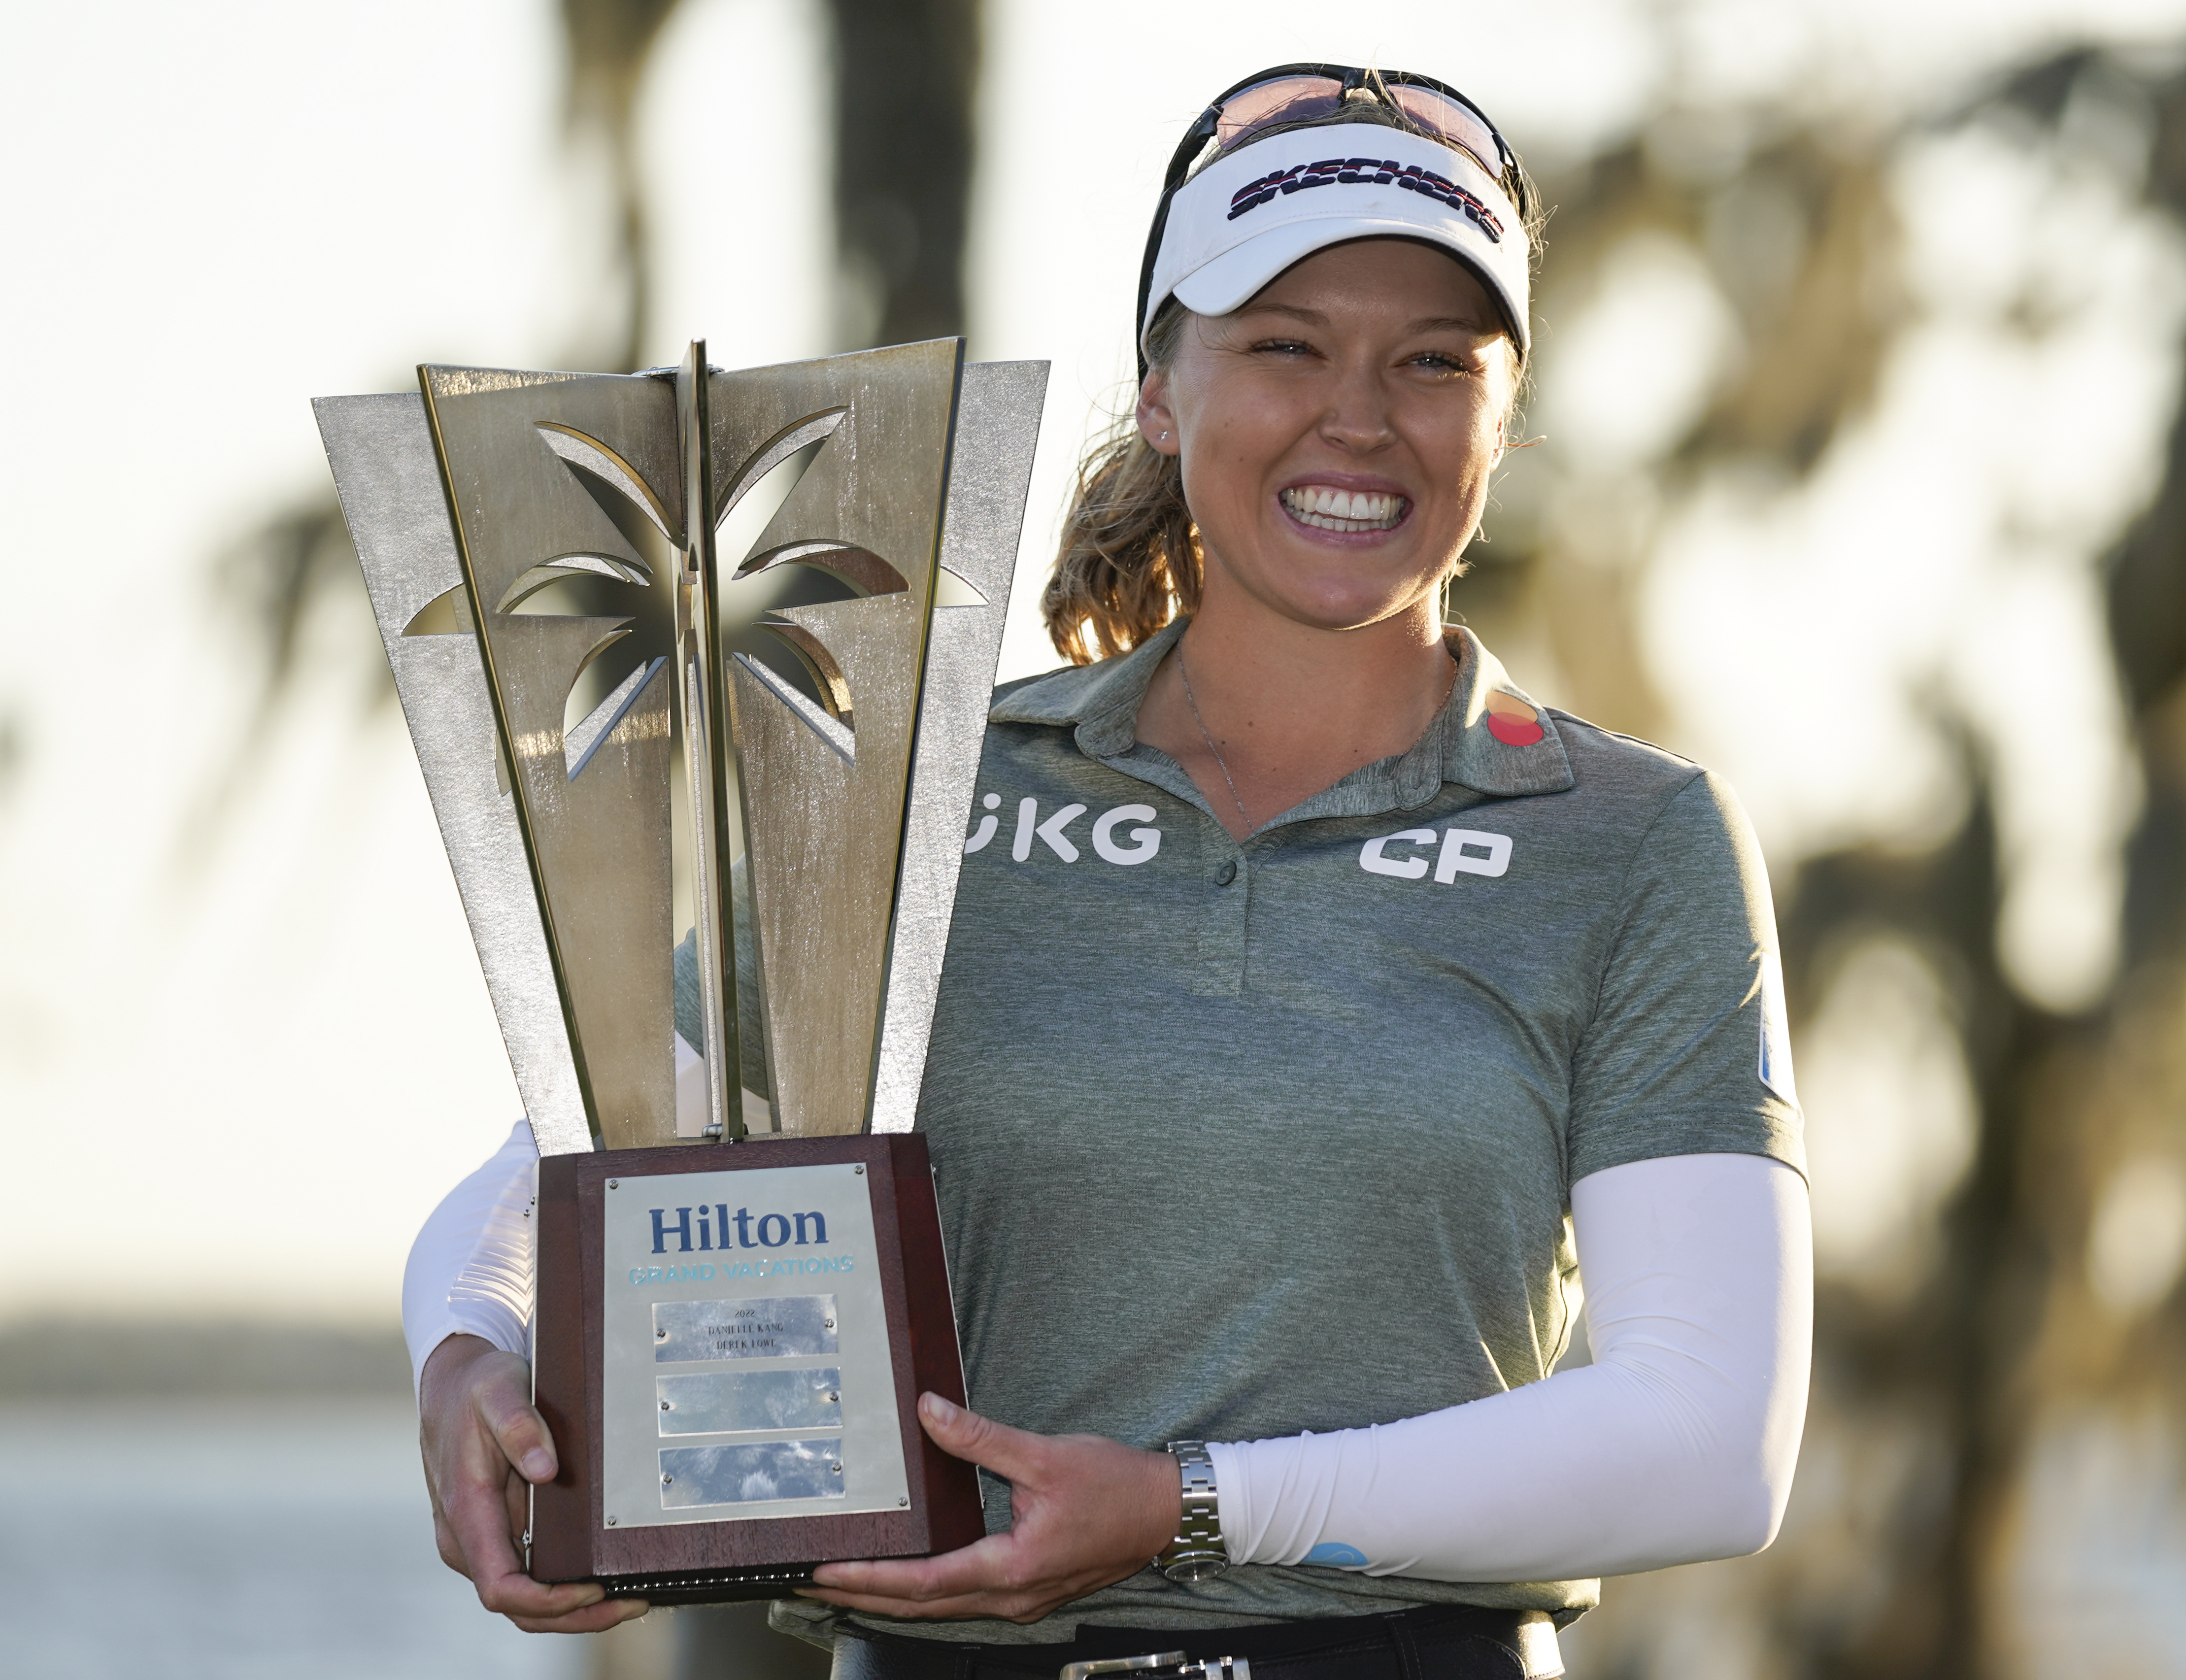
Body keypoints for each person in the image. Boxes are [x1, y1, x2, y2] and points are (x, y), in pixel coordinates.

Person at [407, 63, 1814, 1680]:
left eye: (1433, 359)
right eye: (1284, 346)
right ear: (1161, 390)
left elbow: (1709, 1437)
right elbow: (558, 1168)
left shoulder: (1630, 838)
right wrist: (471, 1347)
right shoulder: (919, 791)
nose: (1358, 417)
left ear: (1503, 412)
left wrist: (1192, 1506)